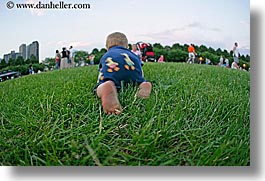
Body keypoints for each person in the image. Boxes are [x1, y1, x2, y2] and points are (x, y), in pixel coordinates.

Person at [94, 32, 152, 115]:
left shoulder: (107, 54)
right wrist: (141, 79)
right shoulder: (132, 54)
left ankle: (105, 87)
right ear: (127, 46)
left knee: (101, 85)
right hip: (133, 72)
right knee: (138, 81)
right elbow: (140, 68)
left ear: (107, 47)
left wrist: (100, 82)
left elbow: (102, 71)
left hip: (113, 72)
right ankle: (143, 85)